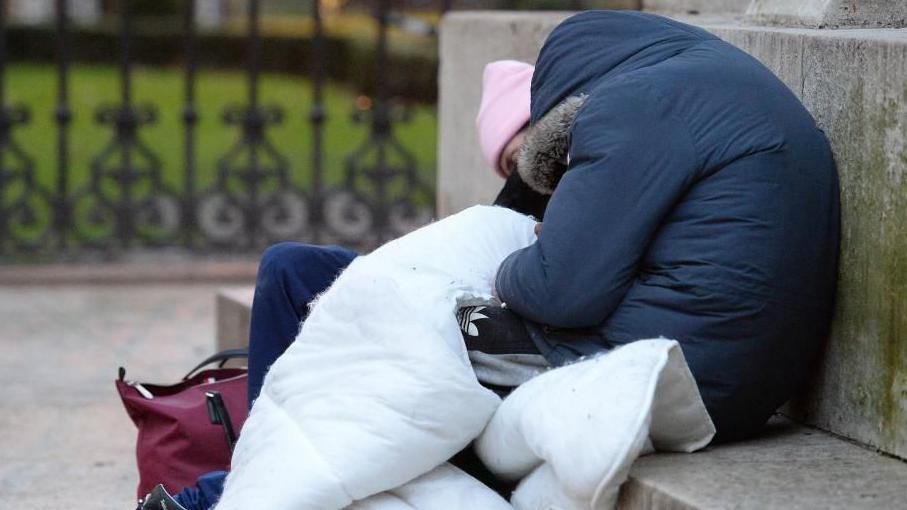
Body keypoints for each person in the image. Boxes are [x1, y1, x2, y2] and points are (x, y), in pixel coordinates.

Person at [139, 60, 543, 510]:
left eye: (526, 150)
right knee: (288, 267)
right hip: (454, 309)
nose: (522, 173)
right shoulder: (537, 188)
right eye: (511, 165)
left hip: (491, 349)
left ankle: (241, 489)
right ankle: (262, 462)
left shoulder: (591, 166)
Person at [496, 11, 839, 443]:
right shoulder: (710, 80)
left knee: (434, 331)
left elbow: (559, 291)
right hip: (746, 387)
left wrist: (503, 271)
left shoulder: (631, 105)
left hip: (674, 369)